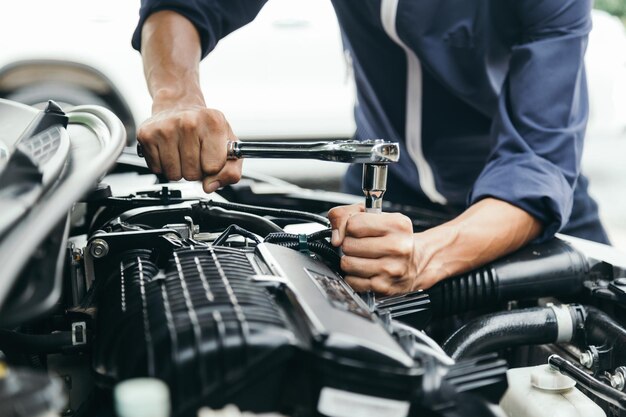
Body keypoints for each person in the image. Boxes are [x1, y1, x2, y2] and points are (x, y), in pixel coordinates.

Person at [132, 0, 608, 295]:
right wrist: (175, 97)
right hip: (383, 212)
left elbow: (538, 160)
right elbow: (183, 4)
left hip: (522, 221)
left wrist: (424, 255)